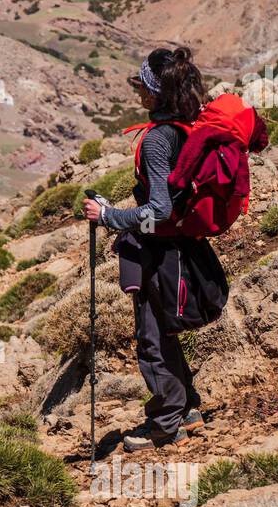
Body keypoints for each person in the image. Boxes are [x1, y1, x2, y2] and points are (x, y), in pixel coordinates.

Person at [82, 47, 209, 451]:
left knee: (152, 337)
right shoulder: (187, 127)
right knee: (164, 329)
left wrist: (107, 216)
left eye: (141, 87)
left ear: (155, 93)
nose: (137, 94)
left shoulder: (157, 140)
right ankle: (186, 407)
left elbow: (157, 210)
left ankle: (165, 423)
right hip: (182, 244)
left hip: (161, 249)